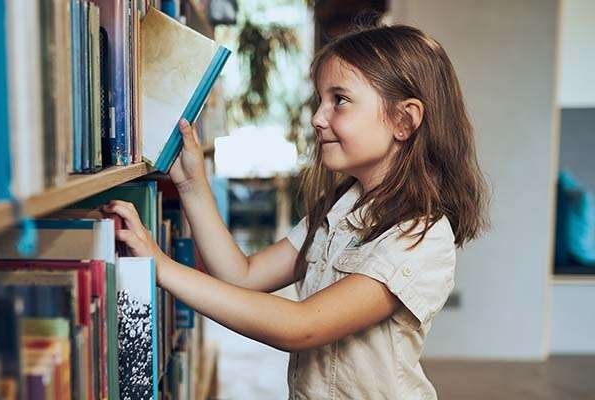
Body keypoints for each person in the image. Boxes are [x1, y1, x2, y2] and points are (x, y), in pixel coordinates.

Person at [105, 22, 489, 399]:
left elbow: (301, 326)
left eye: (339, 100)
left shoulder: (418, 235)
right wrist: (192, 184)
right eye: (319, 100)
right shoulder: (339, 210)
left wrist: (161, 266)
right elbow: (243, 276)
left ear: (403, 120)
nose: (318, 118)